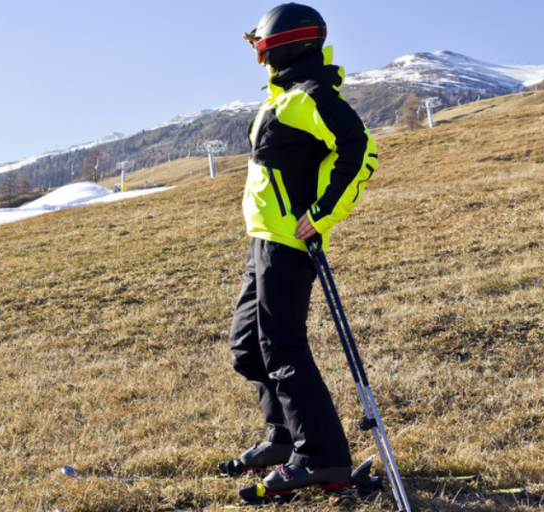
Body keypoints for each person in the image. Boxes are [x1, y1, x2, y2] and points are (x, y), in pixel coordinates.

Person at [228, 2, 378, 495]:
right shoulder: (285, 97)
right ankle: (286, 437)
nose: (260, 60)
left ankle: (321, 457)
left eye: (263, 50)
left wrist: (322, 211)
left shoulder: (312, 96)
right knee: (247, 347)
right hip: (263, 239)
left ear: (285, 47)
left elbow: (359, 148)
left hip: (290, 241)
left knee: (282, 346)